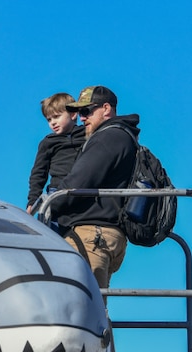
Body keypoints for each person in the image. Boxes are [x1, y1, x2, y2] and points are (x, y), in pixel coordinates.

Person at [52, 85, 139, 297]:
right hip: (104, 235)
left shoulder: (108, 137)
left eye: (87, 111)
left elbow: (77, 183)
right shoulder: (124, 137)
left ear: (106, 109)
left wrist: (47, 208)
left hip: (92, 235)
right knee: (92, 309)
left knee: (83, 309)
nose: (82, 118)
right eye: (79, 113)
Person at [26, 93, 87, 226]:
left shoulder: (87, 135)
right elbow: (38, 173)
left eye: (56, 117)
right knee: (54, 228)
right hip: (57, 191)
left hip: (82, 188)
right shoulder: (48, 142)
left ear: (73, 114)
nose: (52, 122)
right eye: (49, 119)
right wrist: (32, 201)